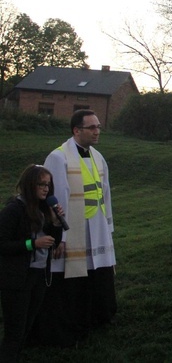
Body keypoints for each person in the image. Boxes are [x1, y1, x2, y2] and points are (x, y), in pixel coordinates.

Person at [40, 109, 117, 345]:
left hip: (97, 224)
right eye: (91, 127)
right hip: (73, 226)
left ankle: (97, 315)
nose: (97, 131)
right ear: (76, 130)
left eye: (98, 127)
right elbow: (56, 198)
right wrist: (59, 236)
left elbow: (105, 193)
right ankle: (73, 320)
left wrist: (108, 227)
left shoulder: (97, 156)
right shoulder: (58, 157)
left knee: (97, 270)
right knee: (74, 274)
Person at [0, 165, 63, 362]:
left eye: (48, 185)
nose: (46, 189)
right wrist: (32, 244)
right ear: (29, 185)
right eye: (41, 184)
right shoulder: (14, 210)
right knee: (15, 330)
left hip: (38, 275)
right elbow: (2, 244)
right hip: (17, 279)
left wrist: (55, 223)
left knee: (27, 325)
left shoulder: (45, 208)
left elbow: (55, 241)